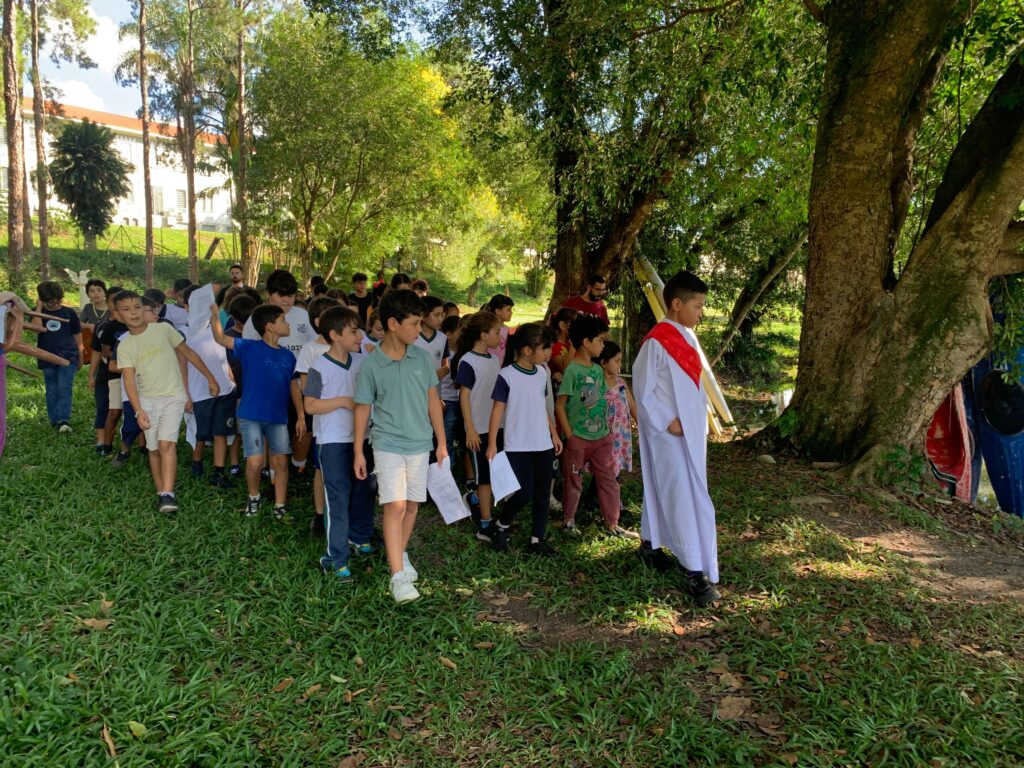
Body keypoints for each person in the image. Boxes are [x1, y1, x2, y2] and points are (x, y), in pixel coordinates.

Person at [353, 289, 447, 604]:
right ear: (393, 324)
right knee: (394, 505)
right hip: (387, 443)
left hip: (420, 443)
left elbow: (433, 401)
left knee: (411, 504)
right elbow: (362, 409)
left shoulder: (421, 358)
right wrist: (358, 451)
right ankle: (397, 576)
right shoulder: (371, 364)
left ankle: (401, 553)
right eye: (414, 323)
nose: (419, 330)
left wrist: (441, 442)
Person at [632, 270, 720, 605]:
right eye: (697, 306)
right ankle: (694, 572)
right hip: (669, 436)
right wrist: (668, 421)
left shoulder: (686, 337)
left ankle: (649, 543)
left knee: (665, 488)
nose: (701, 313)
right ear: (676, 304)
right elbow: (644, 389)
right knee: (681, 495)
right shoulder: (656, 341)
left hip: (690, 435)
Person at [116, 290, 219, 513]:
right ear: (117, 315)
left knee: (166, 444)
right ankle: (160, 490)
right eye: (126, 309)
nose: (133, 312)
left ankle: (168, 493)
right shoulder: (125, 345)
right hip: (147, 401)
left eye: (137, 307)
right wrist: (138, 410)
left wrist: (210, 377)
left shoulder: (164, 329)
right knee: (153, 448)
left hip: (174, 396)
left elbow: (188, 353)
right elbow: (129, 381)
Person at [303, 306, 376, 582]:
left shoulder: (361, 361)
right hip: (332, 442)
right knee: (338, 498)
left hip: (362, 439)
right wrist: (344, 401)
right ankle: (335, 558)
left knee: (365, 490)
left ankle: (360, 536)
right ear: (335, 335)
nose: (360, 336)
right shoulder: (319, 366)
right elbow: (310, 405)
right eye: (354, 331)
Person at [212, 302, 300, 521]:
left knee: (280, 462)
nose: (288, 324)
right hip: (251, 416)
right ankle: (254, 497)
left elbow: (293, 385)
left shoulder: (288, 357)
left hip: (278, 418)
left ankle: (280, 505)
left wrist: (300, 414)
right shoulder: (249, 347)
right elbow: (221, 339)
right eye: (283, 320)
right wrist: (214, 316)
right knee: (255, 462)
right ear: (270, 326)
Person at [486, 323, 562, 556]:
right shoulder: (507, 375)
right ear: (528, 350)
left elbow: (541, 405)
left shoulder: (541, 373)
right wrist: (492, 443)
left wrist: (553, 433)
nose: (549, 352)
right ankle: (501, 524)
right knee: (524, 492)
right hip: (517, 444)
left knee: (542, 493)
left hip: (543, 444)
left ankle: (537, 539)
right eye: (545, 348)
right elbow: (497, 411)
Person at [555, 313, 631, 538]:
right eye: (600, 340)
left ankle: (612, 524)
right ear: (586, 342)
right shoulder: (572, 371)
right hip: (578, 440)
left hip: (602, 438)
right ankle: (568, 520)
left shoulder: (597, 370)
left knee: (609, 480)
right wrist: (570, 436)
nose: (603, 345)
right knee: (574, 480)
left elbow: (599, 400)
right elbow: (560, 405)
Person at [453, 311, 503, 540]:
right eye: (496, 332)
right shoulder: (467, 361)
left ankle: (474, 500)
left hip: (495, 427)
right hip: (478, 429)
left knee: (494, 473)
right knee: (484, 478)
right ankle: (485, 524)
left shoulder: (494, 360)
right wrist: (470, 429)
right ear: (483, 335)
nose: (500, 337)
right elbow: (464, 397)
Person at [183, 285, 237, 489]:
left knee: (220, 433)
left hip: (225, 391)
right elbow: (182, 367)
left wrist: (232, 380)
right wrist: (187, 395)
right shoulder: (184, 333)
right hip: (200, 393)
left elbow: (222, 357)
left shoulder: (216, 329)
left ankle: (218, 473)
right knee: (201, 434)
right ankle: (196, 463)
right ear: (187, 306)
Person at [295, 295, 341, 534]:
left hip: (347, 421)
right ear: (319, 322)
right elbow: (305, 387)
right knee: (321, 469)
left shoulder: (349, 346)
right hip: (323, 421)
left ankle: (343, 514)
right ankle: (320, 514)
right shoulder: (311, 350)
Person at [35, 281, 82, 433]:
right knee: (51, 390)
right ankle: (54, 420)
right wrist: (39, 308)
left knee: (64, 387)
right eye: (51, 303)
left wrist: (80, 354)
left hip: (68, 356)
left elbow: (77, 335)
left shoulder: (69, 313)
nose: (56, 305)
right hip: (46, 357)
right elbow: (36, 328)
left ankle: (63, 420)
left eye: (58, 301)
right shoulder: (37, 312)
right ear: (42, 300)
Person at [598, 340, 636, 477]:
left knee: (615, 469)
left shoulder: (621, 383)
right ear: (603, 363)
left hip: (620, 436)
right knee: (604, 469)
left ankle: (612, 486)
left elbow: (632, 406)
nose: (620, 364)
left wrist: (642, 426)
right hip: (604, 437)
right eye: (617, 361)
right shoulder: (598, 384)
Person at [548, 306, 578, 386]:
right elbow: (565, 369)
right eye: (575, 325)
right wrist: (573, 345)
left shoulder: (569, 343)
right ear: (562, 325)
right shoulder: (554, 346)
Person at [484, 294, 514, 359]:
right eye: (508, 310)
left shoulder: (509, 330)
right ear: (497, 311)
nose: (511, 313)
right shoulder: (486, 329)